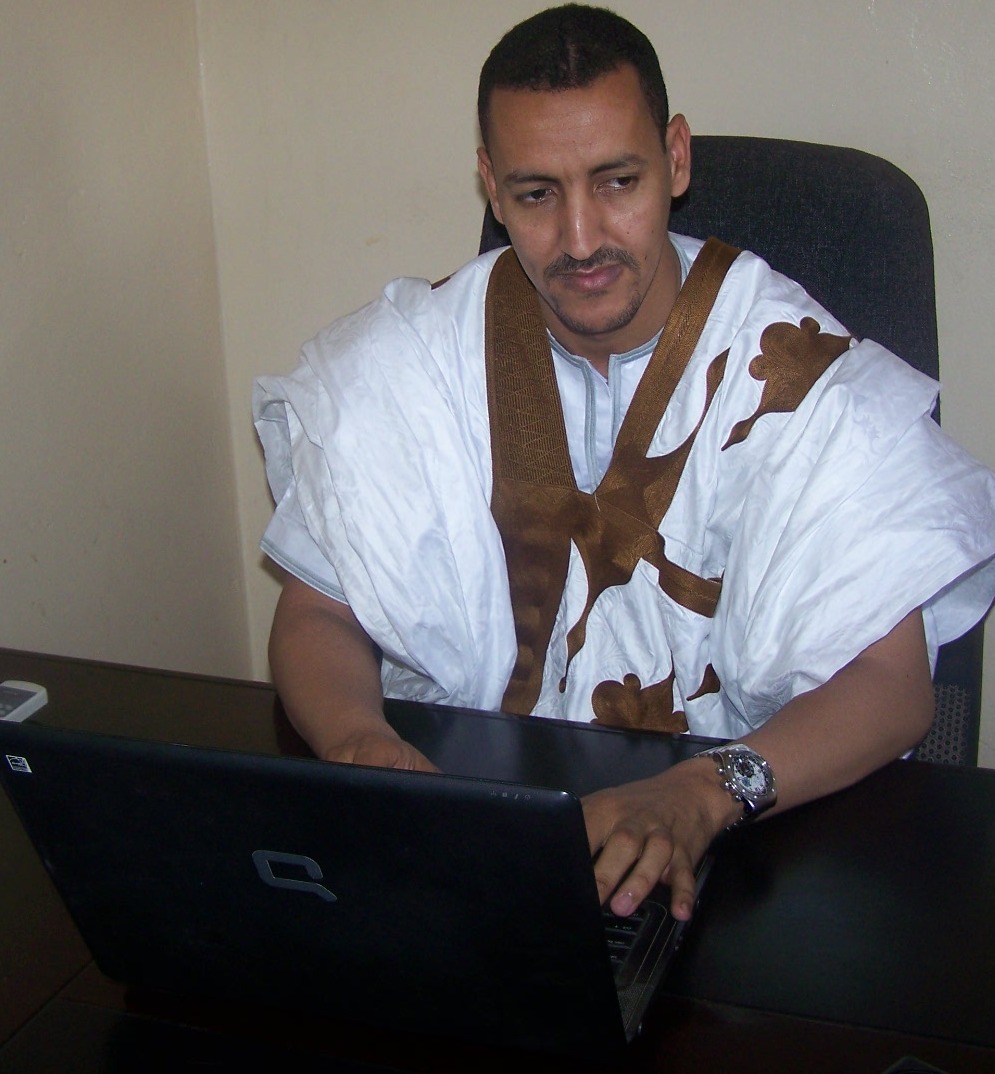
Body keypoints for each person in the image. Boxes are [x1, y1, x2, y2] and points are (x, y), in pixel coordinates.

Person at [253, 4, 995, 922]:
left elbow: (891, 688)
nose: (579, 240)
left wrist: (702, 793)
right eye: (536, 194)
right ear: (490, 186)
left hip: (742, 846)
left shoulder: (799, 373)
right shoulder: (411, 360)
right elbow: (318, 610)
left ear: (675, 159)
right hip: (476, 837)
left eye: (616, 182)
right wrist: (358, 742)